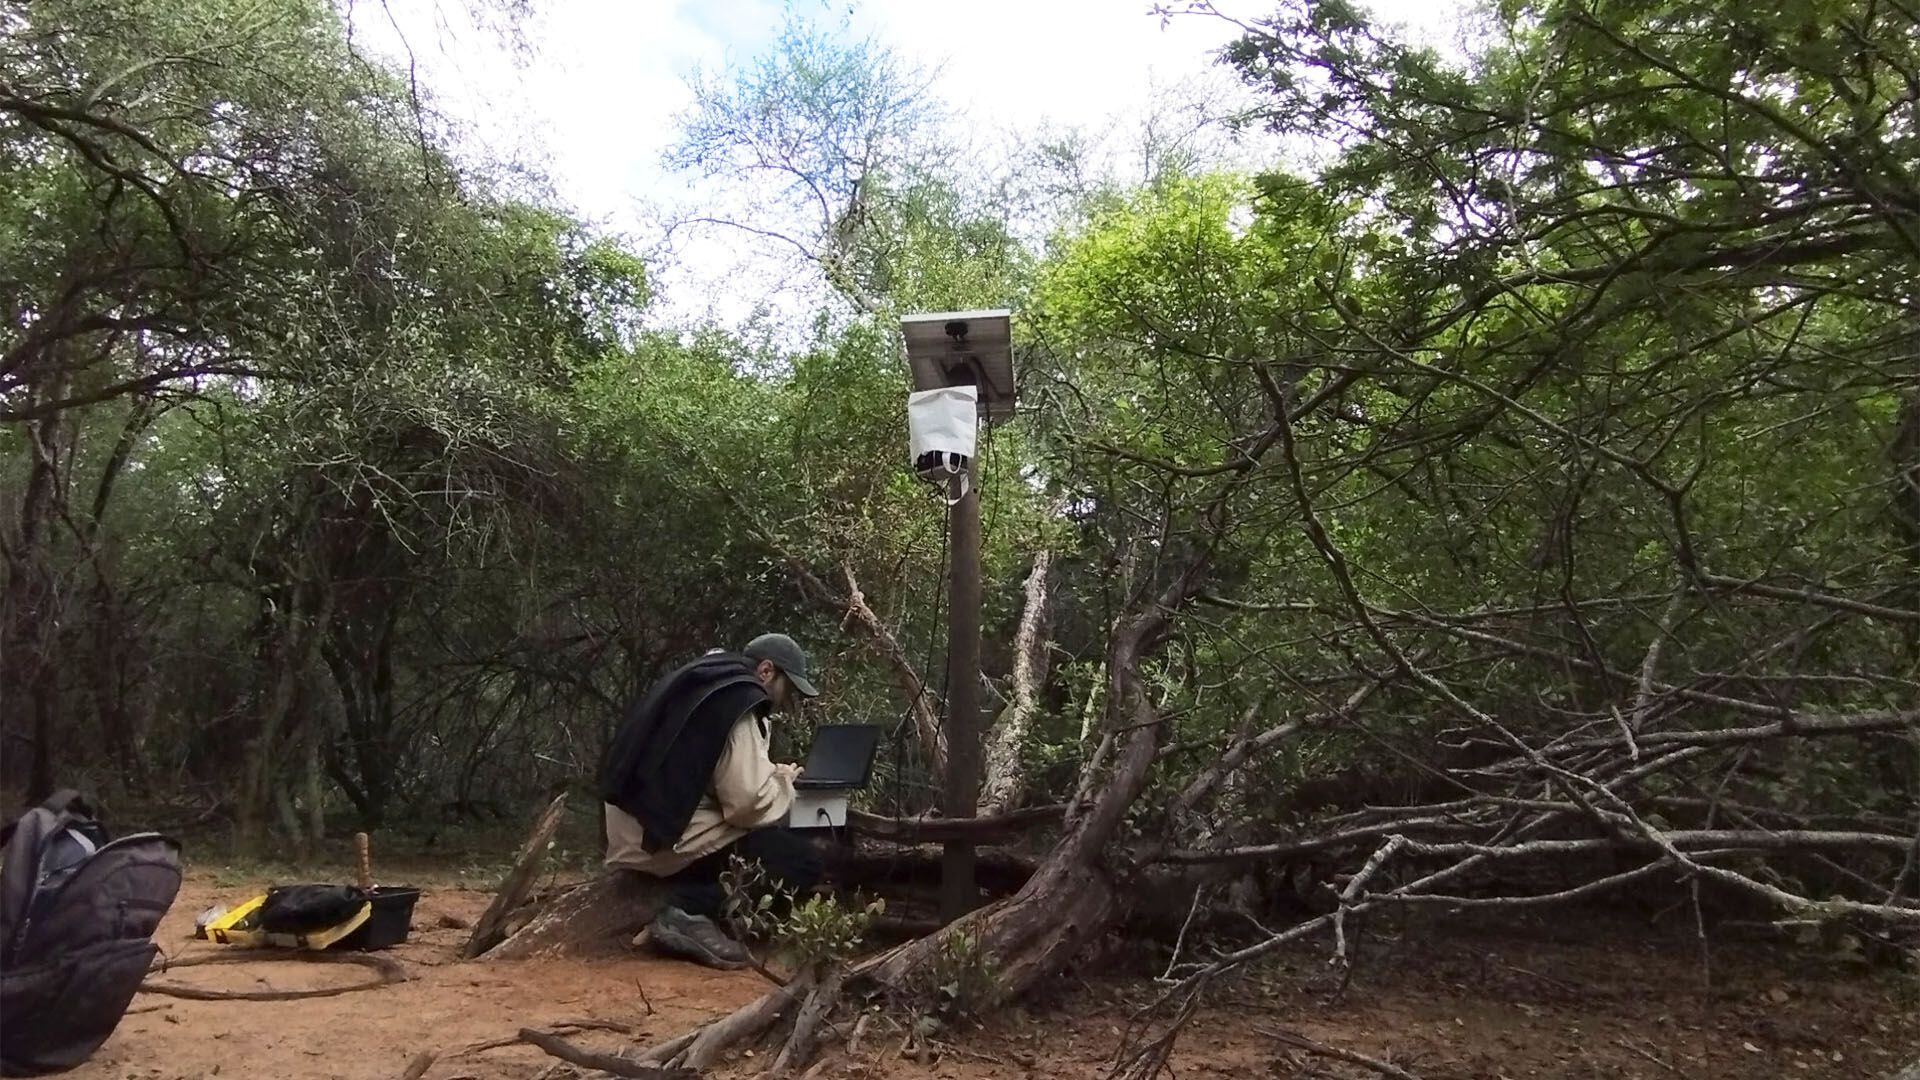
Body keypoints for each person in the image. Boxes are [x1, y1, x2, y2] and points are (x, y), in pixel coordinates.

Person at [601, 633, 825, 969]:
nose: (786, 698)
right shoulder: (742, 699)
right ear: (766, 671)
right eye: (788, 687)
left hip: (632, 824)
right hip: (658, 838)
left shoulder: (704, 680)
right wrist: (783, 784)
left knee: (770, 842)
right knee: (802, 860)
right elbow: (746, 804)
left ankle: (689, 901)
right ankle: (688, 910)